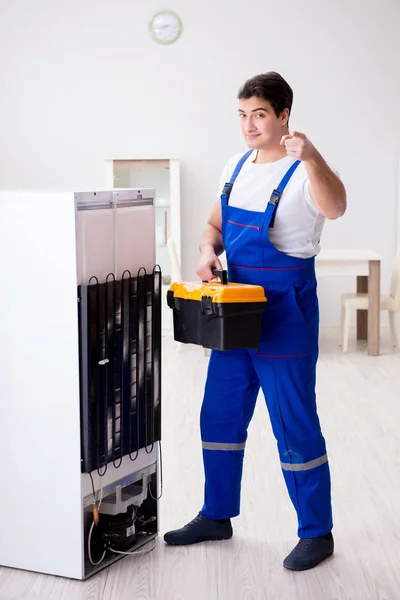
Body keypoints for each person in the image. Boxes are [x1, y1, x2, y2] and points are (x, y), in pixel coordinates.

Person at [164, 72, 346, 571]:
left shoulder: (304, 170)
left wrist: (312, 157)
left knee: (293, 423)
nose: (248, 124)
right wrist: (206, 252)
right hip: (236, 310)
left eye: (259, 114)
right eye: (242, 114)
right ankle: (216, 515)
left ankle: (317, 532)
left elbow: (338, 206)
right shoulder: (236, 165)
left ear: (284, 115)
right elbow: (215, 226)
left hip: (286, 310)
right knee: (219, 415)